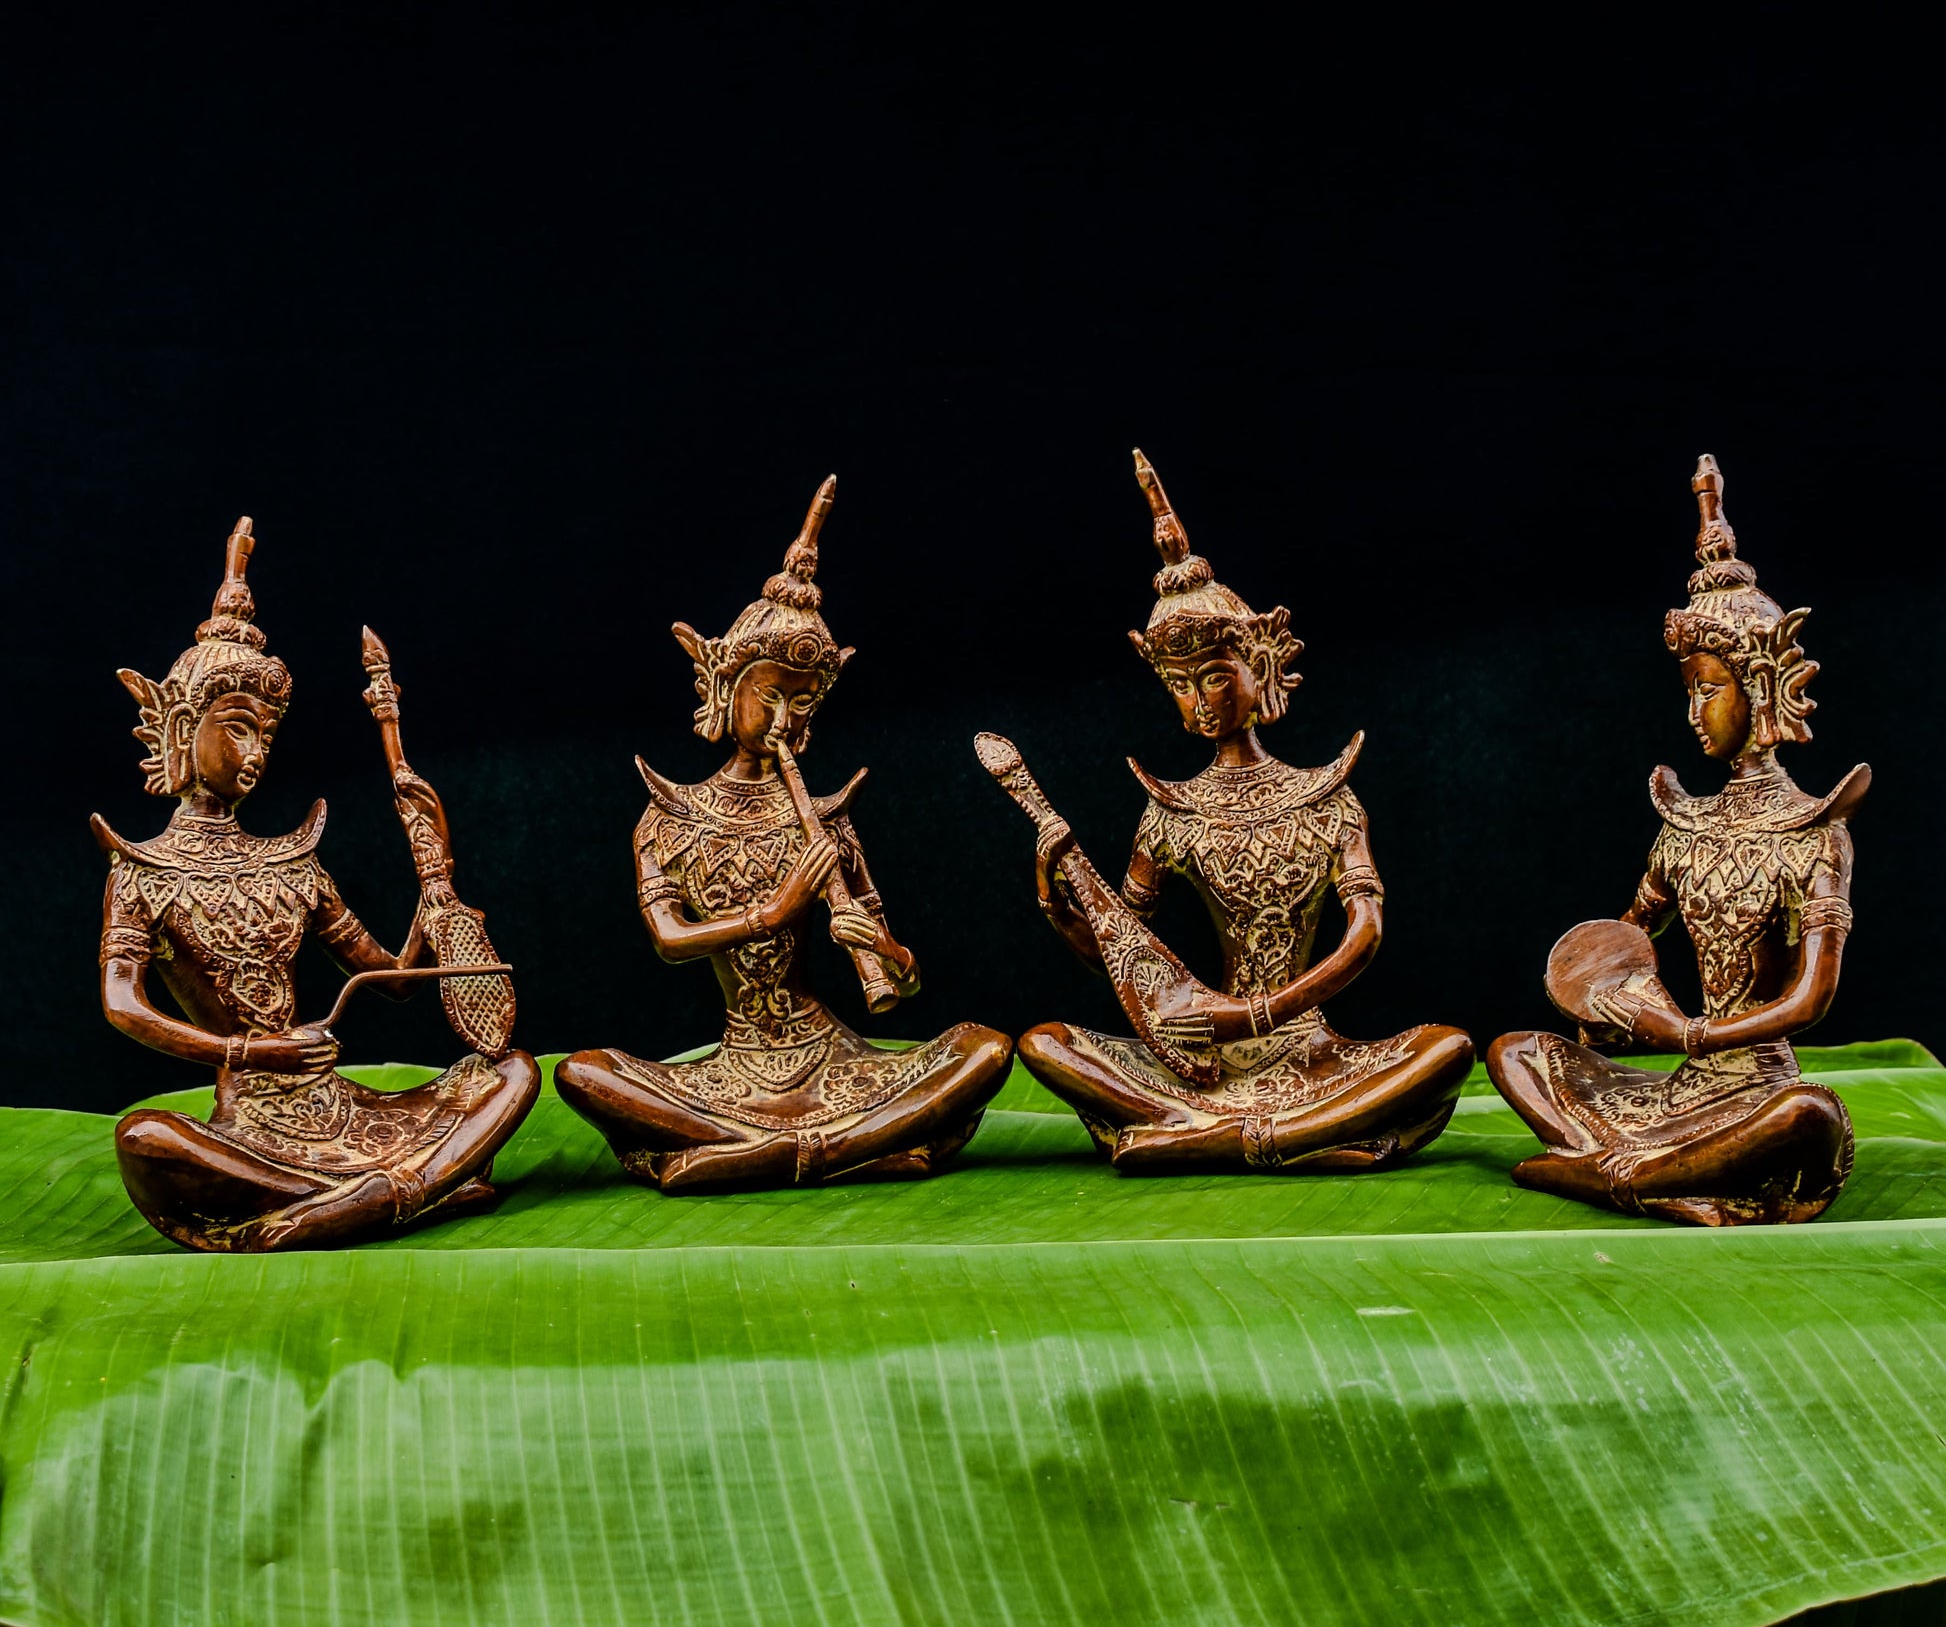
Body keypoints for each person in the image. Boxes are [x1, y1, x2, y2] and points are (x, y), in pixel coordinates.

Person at [1016, 453, 1473, 1172]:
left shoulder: (1328, 799)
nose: (1199, 702)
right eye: (1178, 686)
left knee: (1444, 1050)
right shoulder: (1170, 812)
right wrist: (1059, 907)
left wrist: (1256, 1015)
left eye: (1215, 678)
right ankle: (1287, 1134)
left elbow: (1366, 933)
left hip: (1310, 1050)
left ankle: (1212, 1138)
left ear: (1257, 668)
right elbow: (1135, 961)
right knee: (1045, 1043)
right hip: (1206, 1057)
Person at [555, 480, 1011, 1191]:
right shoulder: (669, 817)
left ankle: (763, 1155)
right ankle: (856, 1149)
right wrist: (771, 913)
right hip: (734, 1067)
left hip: (832, 1062)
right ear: (722, 687)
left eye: (803, 705)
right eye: (770, 697)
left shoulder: (826, 821)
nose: (784, 722)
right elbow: (668, 940)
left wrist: (881, 947)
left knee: (983, 1050)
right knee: (585, 1073)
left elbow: (906, 980)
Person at [96, 518, 538, 1251]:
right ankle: (416, 1188)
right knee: (146, 1137)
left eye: (267, 735)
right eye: (238, 727)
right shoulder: (143, 874)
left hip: (345, 1108)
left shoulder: (294, 864)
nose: (255, 752)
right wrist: (249, 1055)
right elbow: (121, 1004)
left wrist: (437, 876)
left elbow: (393, 981)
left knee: (510, 1074)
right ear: (180, 726)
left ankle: (351, 1203)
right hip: (252, 1124)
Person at [1487, 457, 1863, 1225]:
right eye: (1688, 689)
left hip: (1757, 1087)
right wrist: (1604, 1001)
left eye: (1710, 687)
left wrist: (1692, 1030)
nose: (1694, 710)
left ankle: (1613, 1178)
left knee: (1808, 1119)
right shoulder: (1683, 828)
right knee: (1516, 1053)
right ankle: (1653, 1173)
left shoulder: (1815, 834)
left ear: (1758, 690)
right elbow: (1627, 937)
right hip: (1677, 1089)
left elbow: (1812, 998)